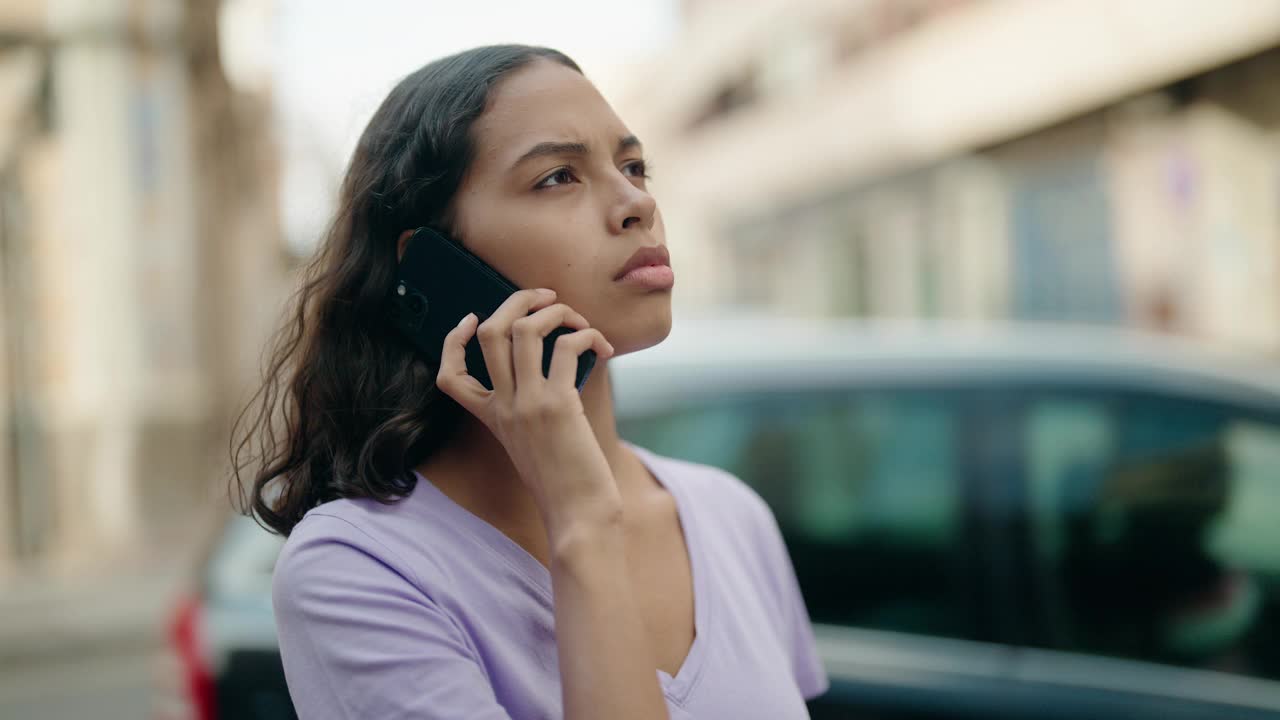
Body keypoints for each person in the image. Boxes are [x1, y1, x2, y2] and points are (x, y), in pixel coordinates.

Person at [231, 44, 828, 720]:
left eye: (633, 166)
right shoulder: (360, 570)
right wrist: (580, 521)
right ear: (432, 263)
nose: (635, 201)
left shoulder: (729, 516)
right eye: (558, 178)